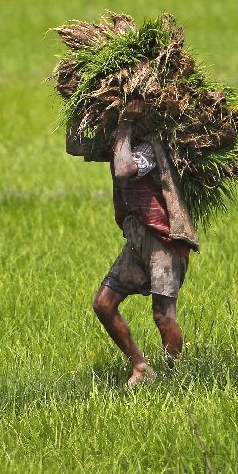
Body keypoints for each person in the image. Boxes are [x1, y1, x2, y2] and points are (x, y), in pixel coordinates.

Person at [69, 100, 200, 389]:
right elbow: (75, 146)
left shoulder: (151, 147)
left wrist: (126, 124)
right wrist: (79, 104)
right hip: (137, 239)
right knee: (104, 304)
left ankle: (175, 379)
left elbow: (124, 168)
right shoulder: (118, 144)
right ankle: (141, 366)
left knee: (163, 313)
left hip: (163, 241)